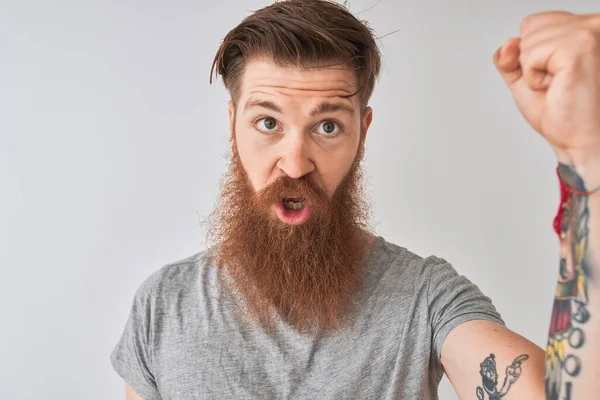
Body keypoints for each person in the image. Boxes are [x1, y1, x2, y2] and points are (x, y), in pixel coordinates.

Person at [110, 1, 600, 399]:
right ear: (233, 125)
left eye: (327, 126)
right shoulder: (163, 305)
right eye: (267, 123)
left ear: (361, 133)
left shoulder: (426, 300)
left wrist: (586, 162)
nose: (295, 163)